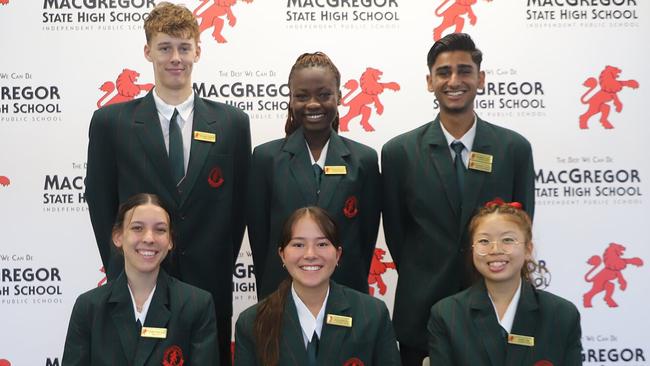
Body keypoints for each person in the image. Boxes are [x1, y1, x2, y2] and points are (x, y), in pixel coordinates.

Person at [84, 3, 250, 364]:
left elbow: (238, 211)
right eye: (164, 47)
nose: (175, 58)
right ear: (148, 52)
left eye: (184, 47)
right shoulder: (111, 123)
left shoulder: (233, 123)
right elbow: (100, 204)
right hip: (135, 286)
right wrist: (125, 264)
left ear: (198, 51)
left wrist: (216, 263)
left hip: (209, 288)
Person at [381, 32, 535, 365]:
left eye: (464, 71)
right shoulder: (399, 153)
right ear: (429, 81)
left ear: (480, 79)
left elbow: (522, 230)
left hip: (498, 309)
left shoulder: (514, 149)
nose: (454, 80)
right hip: (419, 315)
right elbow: (397, 235)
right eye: (444, 72)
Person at [247, 52, 381, 299]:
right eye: (301, 96)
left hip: (347, 295)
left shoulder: (364, 160)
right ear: (290, 99)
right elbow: (261, 241)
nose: (312, 104)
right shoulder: (266, 159)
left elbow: (365, 241)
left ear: (339, 97)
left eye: (324, 94)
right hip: (281, 295)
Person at [62, 193, 219, 366]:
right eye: (137, 228)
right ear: (118, 237)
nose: (149, 238)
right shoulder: (89, 307)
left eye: (160, 230)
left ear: (170, 241)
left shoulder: (196, 305)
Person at [235, 207, 400, 366]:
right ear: (282, 255)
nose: (310, 255)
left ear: (338, 254)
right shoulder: (251, 323)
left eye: (322, 244)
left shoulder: (373, 316)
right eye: (298, 245)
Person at [428, 199, 582, 365]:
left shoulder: (561, 314)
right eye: (484, 241)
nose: (495, 250)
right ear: (472, 249)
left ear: (528, 249)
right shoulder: (447, 314)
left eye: (508, 240)